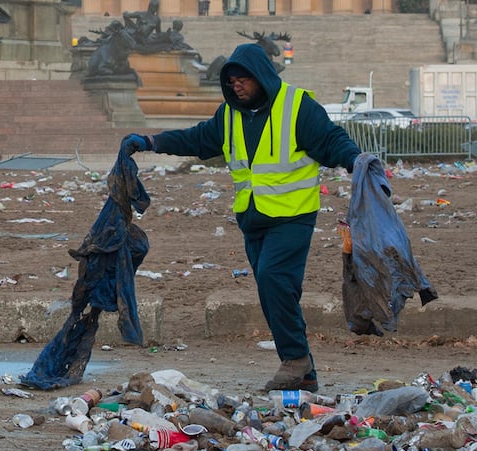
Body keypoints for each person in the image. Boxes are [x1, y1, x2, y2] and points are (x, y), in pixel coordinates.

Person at [121, 43, 362, 393]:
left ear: (262, 76)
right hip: (253, 218)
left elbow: (331, 140)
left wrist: (357, 161)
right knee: (273, 291)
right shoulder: (230, 114)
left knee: (274, 279)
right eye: (231, 81)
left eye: (243, 80)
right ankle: (303, 370)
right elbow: (198, 139)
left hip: (292, 216)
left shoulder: (297, 107)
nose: (237, 86)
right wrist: (150, 141)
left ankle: (295, 361)